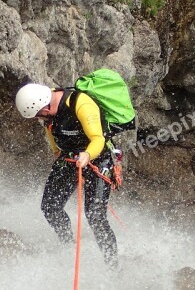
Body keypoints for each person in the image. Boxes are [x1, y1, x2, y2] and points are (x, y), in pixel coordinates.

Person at [15, 83, 118, 269]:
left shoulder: (80, 103)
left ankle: (113, 265)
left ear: (45, 107)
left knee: (95, 216)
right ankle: (68, 246)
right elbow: (50, 127)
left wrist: (87, 155)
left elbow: (98, 139)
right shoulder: (48, 108)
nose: (39, 119)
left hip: (97, 158)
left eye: (39, 115)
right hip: (69, 158)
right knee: (50, 207)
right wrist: (56, 150)